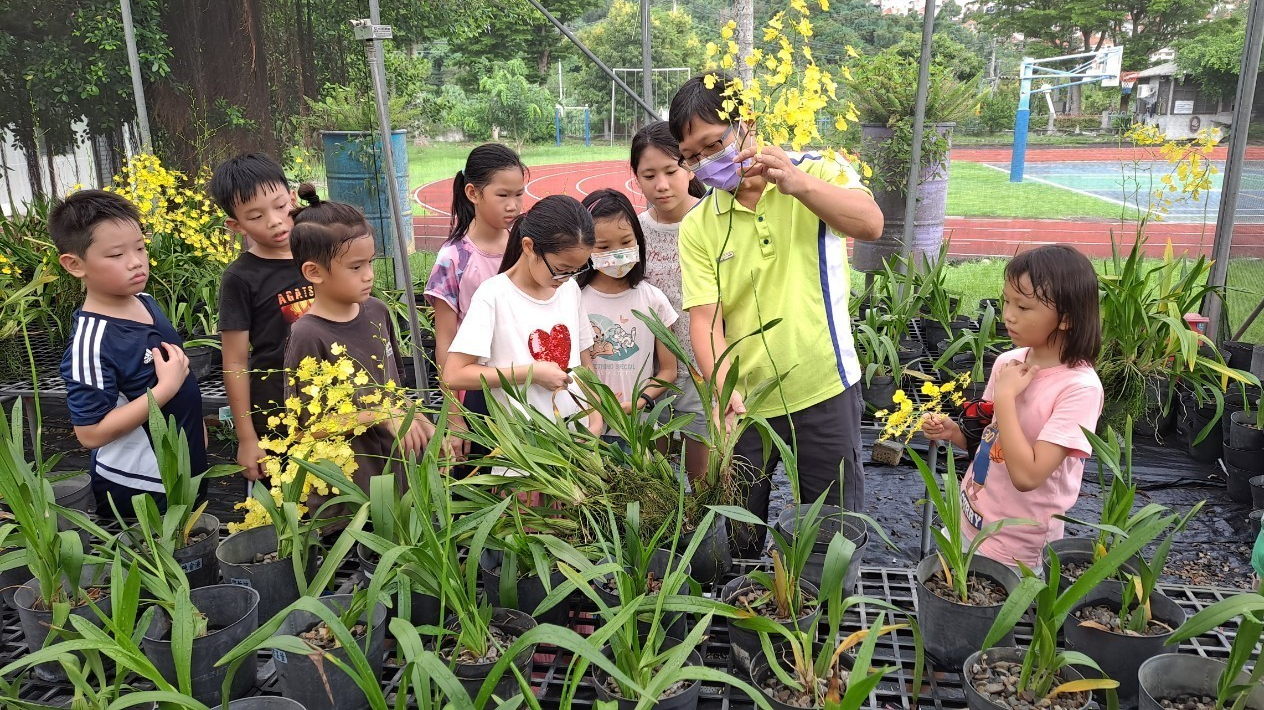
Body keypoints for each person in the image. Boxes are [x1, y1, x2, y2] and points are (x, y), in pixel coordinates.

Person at [668, 73, 884, 558]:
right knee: (739, 533)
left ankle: (822, 618)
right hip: (746, 403)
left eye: (712, 145)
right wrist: (725, 391)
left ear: (748, 123)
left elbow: (870, 223)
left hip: (825, 385)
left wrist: (798, 184)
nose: (705, 164)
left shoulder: (819, 170)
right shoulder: (700, 224)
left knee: (833, 533)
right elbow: (706, 321)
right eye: (692, 158)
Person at [922, 245, 1104, 571]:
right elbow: (993, 440)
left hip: (1017, 547)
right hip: (968, 518)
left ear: (1066, 318)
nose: (1008, 313)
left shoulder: (1079, 389)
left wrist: (1005, 397)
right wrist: (956, 434)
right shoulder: (1010, 362)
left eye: (1023, 306)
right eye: (1006, 300)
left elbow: (1027, 475)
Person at [51, 190, 207, 518]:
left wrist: (197, 432)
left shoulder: (146, 302)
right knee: (155, 566)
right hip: (142, 485)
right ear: (75, 264)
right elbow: (90, 433)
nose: (136, 261)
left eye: (139, 247)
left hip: (187, 469)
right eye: (116, 255)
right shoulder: (91, 342)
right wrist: (164, 391)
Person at [284, 185, 435, 491]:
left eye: (370, 263)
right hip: (348, 492)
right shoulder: (308, 335)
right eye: (356, 267)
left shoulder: (377, 311)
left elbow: (394, 390)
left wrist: (419, 419)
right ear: (314, 272)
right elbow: (304, 430)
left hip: (396, 474)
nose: (368, 275)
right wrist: (377, 415)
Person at [444, 195, 604, 439]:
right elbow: (454, 374)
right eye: (561, 270)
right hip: (523, 451)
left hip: (575, 440)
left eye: (576, 271)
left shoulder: (569, 290)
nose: (566, 279)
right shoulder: (494, 295)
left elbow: (584, 364)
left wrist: (595, 415)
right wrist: (531, 373)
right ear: (529, 246)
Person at [210, 153, 314, 484]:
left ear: (293, 198)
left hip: (336, 399)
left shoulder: (322, 251)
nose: (274, 221)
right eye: (255, 216)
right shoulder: (241, 278)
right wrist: (246, 437)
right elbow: (235, 360)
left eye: (280, 205)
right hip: (277, 410)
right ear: (236, 225)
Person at [424, 144, 526, 468]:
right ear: (473, 192)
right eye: (503, 195)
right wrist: (454, 415)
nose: (514, 205)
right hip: (477, 390)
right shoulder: (453, 259)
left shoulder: (526, 247)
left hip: (525, 383)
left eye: (519, 195)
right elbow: (445, 341)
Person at [631, 121, 709, 480]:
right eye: (649, 175)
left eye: (671, 170)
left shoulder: (714, 218)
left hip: (703, 370)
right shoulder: (632, 231)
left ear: (688, 166)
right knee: (654, 476)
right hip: (649, 374)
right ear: (636, 177)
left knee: (703, 474)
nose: (661, 185)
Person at [577, 189, 678, 432]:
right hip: (585, 426)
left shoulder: (653, 299)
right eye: (603, 246)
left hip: (637, 428)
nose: (617, 254)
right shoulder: (574, 298)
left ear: (638, 239)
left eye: (625, 242)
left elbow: (668, 370)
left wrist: (640, 402)